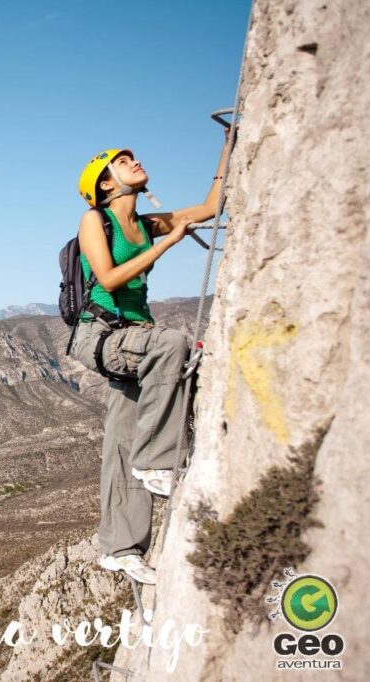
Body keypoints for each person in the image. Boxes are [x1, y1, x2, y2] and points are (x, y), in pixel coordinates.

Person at [70, 135, 230, 585]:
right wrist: (166, 245)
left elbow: (211, 206)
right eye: (123, 161)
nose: (136, 161)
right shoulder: (94, 220)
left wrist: (227, 147)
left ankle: (120, 549)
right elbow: (108, 275)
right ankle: (157, 460)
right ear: (105, 184)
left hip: (133, 339)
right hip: (101, 336)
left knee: (121, 442)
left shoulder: (148, 222)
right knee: (173, 342)